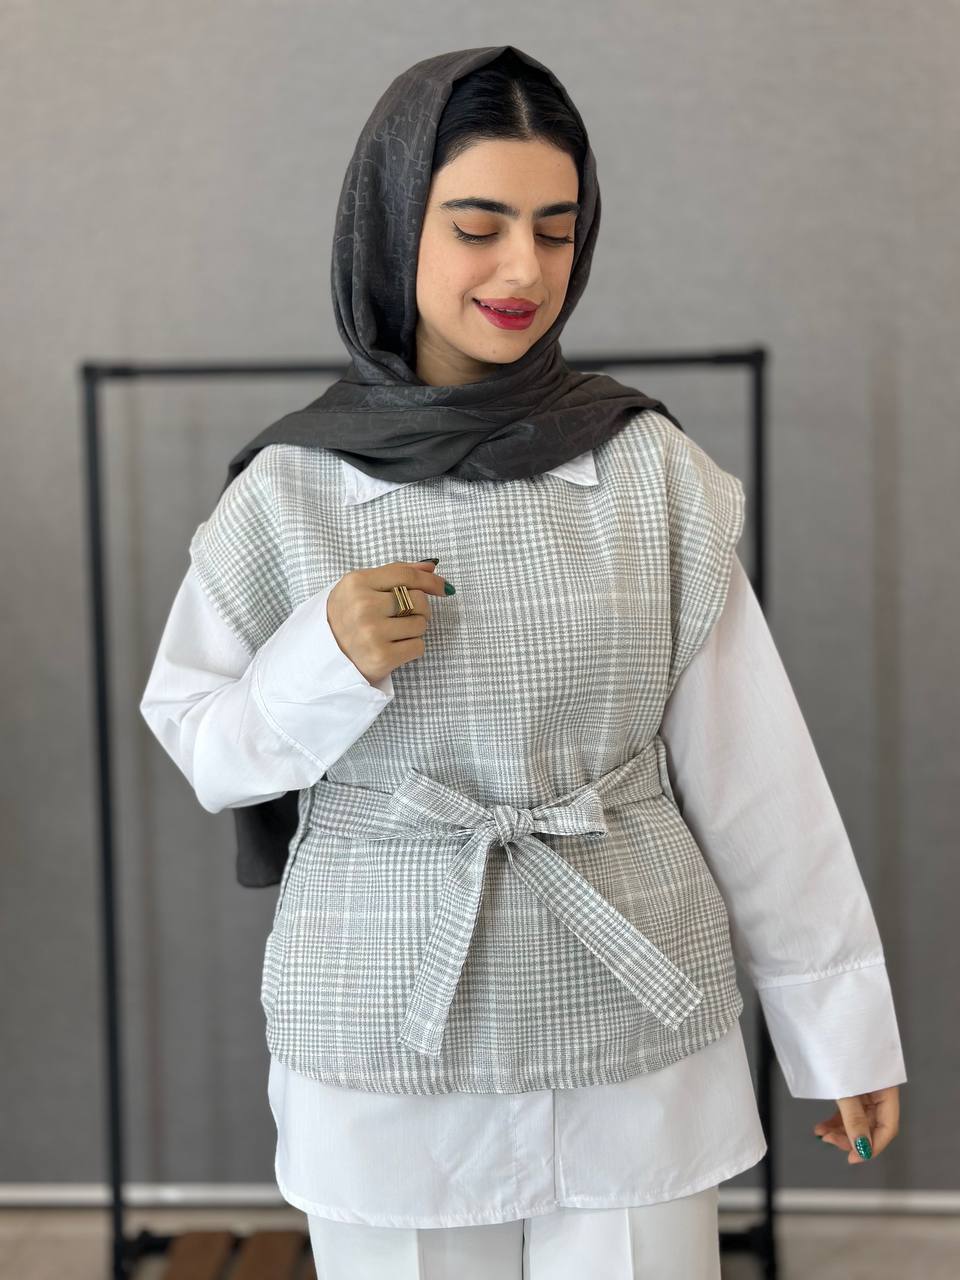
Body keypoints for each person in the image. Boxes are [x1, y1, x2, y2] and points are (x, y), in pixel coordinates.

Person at [140, 46, 905, 1279]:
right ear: (393, 223)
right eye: (477, 225)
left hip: (631, 1011)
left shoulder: (650, 470)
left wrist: (840, 1026)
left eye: (556, 230)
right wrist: (321, 659)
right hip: (386, 1016)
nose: (523, 271)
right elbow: (205, 744)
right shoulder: (290, 488)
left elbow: (757, 776)